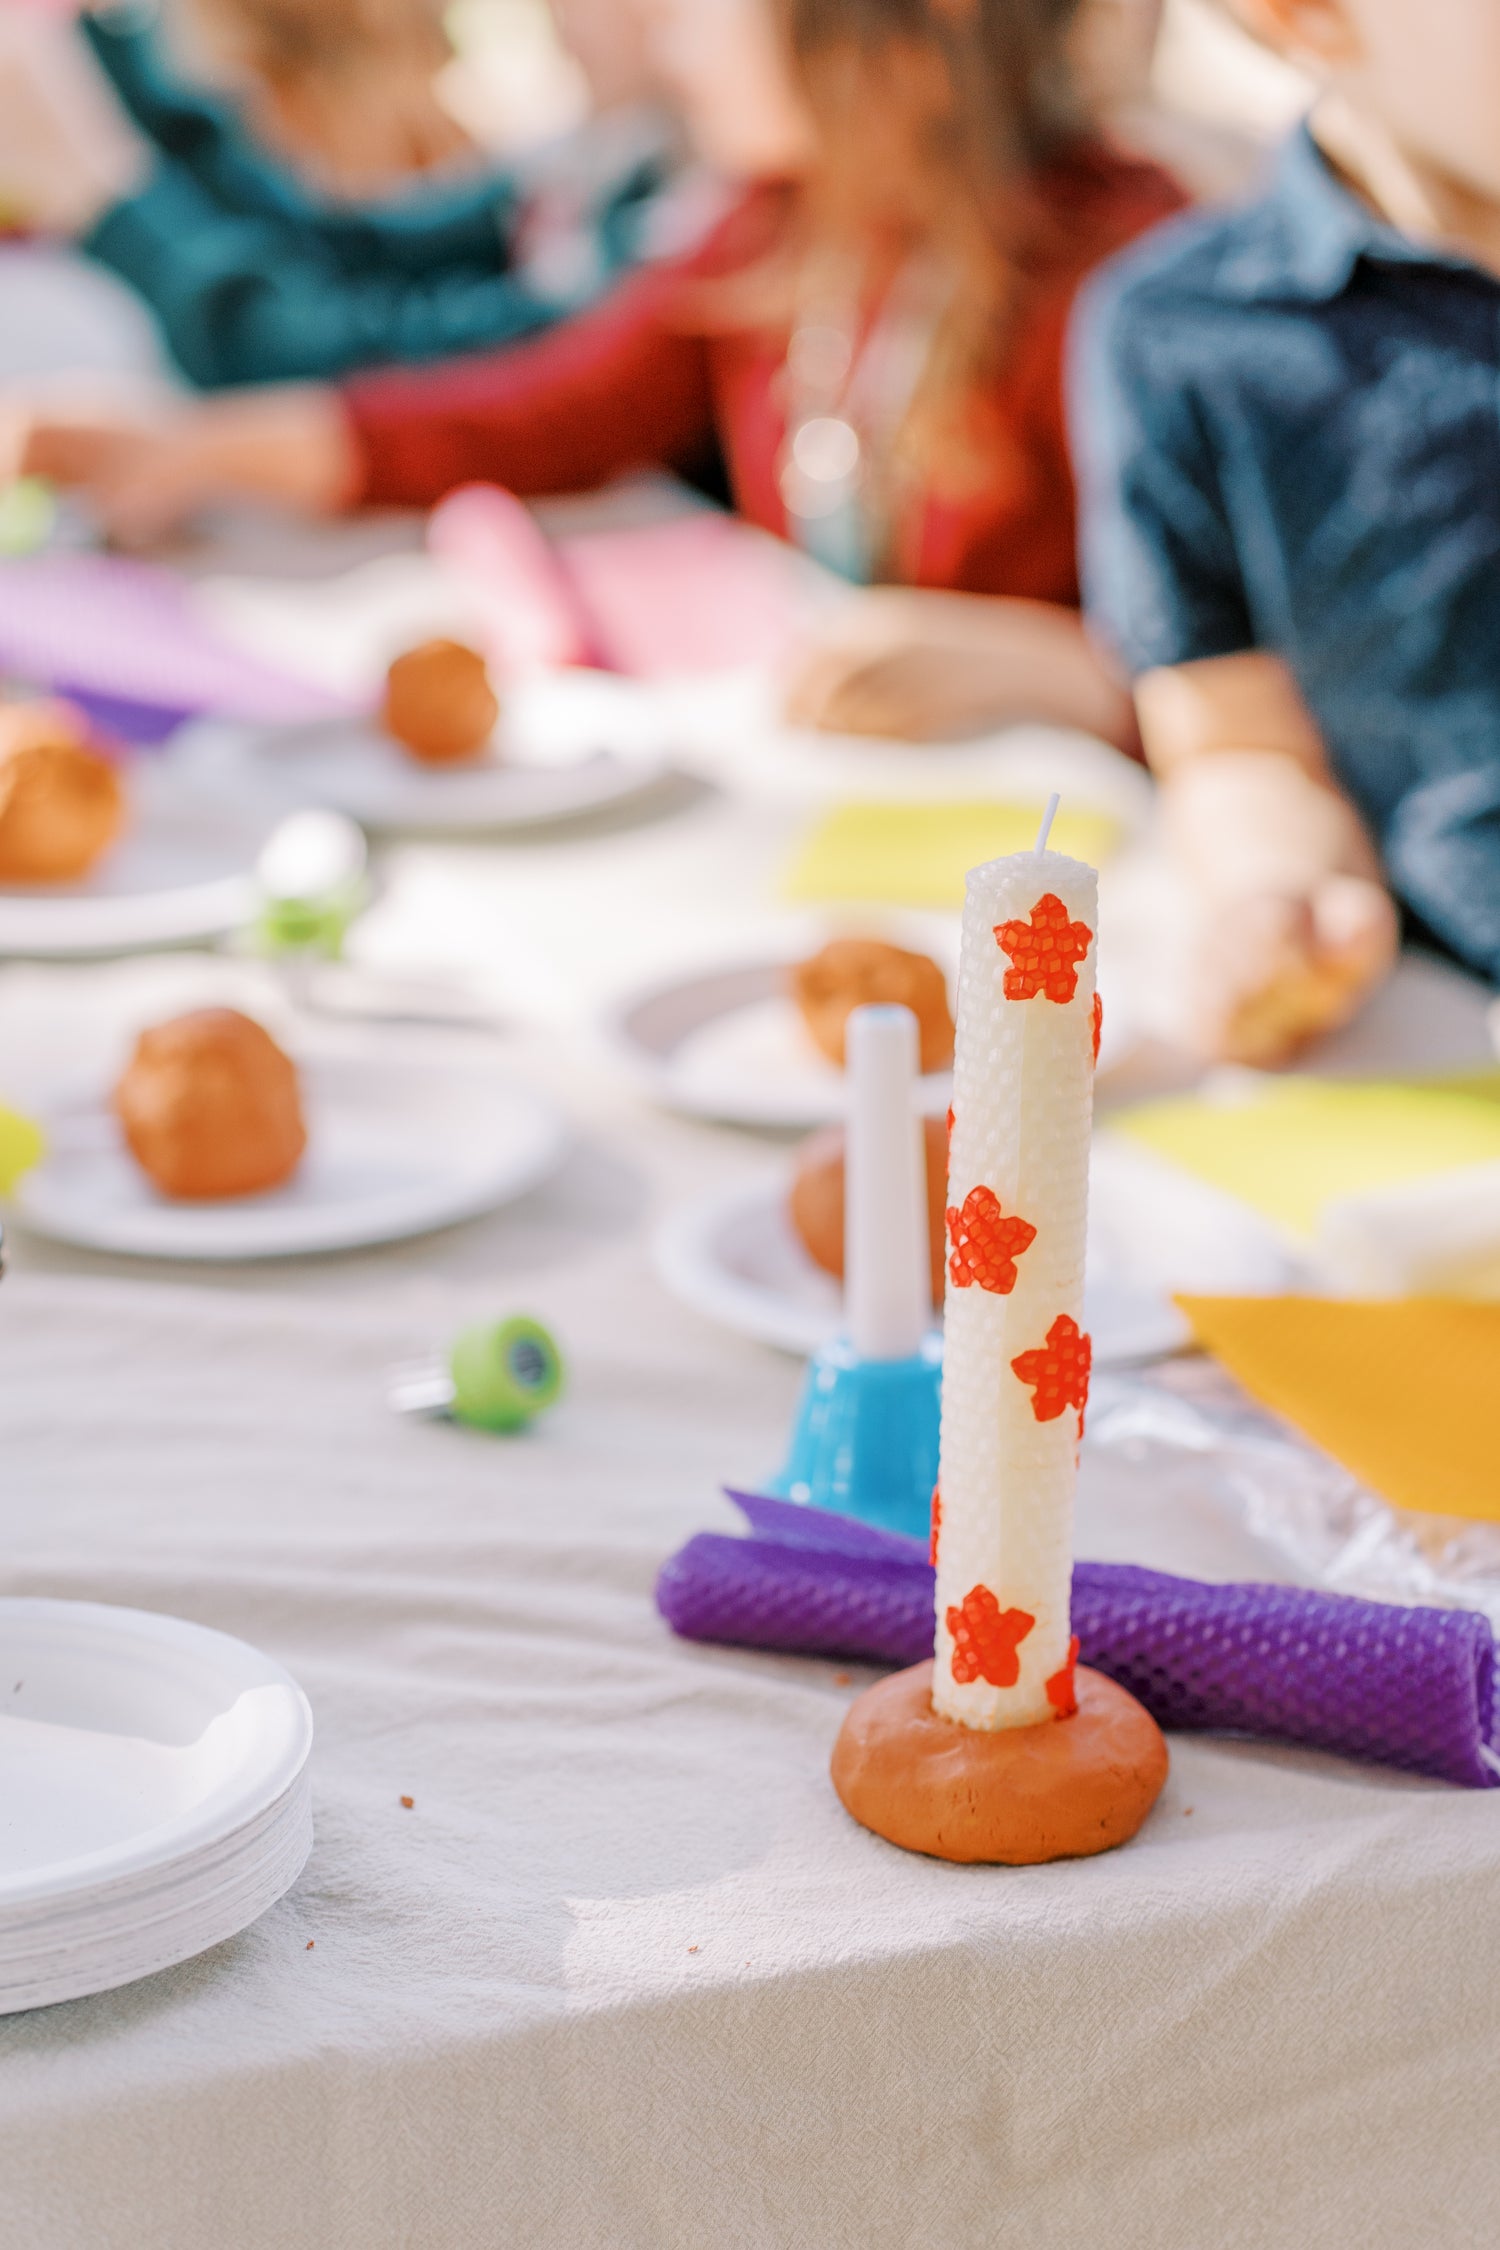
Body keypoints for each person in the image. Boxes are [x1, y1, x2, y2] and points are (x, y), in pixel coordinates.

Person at [7, 0, 1187, 748]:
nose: (674, 37)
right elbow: (534, 412)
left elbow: (1283, 679)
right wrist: (192, 453)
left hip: (1067, 884)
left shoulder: (1130, 272)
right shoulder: (775, 226)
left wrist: (1067, 672)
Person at [1073, 0, 1500, 1063]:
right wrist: (1279, 891)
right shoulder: (1187, 338)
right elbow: (1232, 737)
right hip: (1447, 1044)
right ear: (1303, 15)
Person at [0, 0, 687, 387]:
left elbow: (320, 349)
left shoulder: (672, 226)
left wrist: (106, 193)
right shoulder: (605, 160)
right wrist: (113, 68)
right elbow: (346, 242)